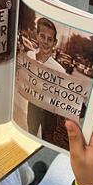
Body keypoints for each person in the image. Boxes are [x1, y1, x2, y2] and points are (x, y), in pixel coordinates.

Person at [26, 17, 67, 145]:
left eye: (50, 39)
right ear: (37, 36)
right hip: (33, 104)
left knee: (47, 139)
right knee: (30, 133)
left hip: (49, 111)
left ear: (55, 43)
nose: (45, 42)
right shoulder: (29, 56)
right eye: (42, 36)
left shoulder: (60, 70)